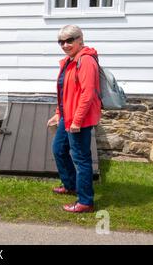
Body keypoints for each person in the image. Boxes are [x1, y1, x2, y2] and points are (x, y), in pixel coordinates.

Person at [47, 25, 101, 213]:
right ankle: (70, 185)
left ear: (80, 39)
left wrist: (77, 121)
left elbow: (88, 94)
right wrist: (58, 113)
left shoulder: (85, 60)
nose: (65, 45)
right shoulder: (70, 61)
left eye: (69, 40)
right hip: (67, 117)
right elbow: (64, 92)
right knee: (59, 150)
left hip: (79, 119)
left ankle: (85, 201)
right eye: (61, 41)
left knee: (81, 159)